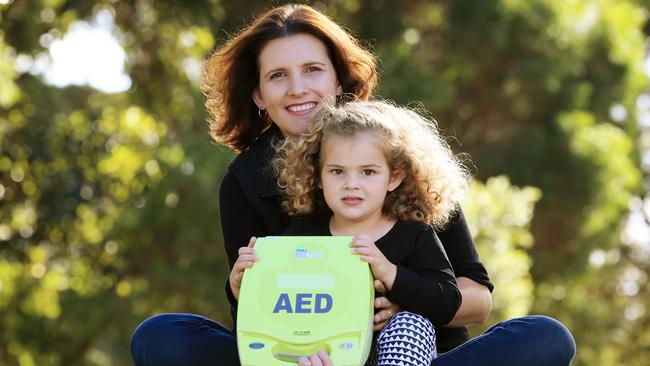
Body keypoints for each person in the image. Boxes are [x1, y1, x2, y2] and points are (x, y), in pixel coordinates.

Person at [130, 4, 576, 366]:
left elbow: (477, 299)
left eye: (312, 69)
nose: (297, 88)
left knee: (544, 338)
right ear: (258, 96)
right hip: (308, 355)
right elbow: (254, 317)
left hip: (416, 351)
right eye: (277, 75)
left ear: (339, 79)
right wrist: (239, 285)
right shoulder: (246, 181)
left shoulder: (401, 150)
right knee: (161, 338)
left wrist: (406, 302)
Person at [266, 99, 469, 364]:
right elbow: (272, 298)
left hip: (397, 353)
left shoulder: (414, 234)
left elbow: (447, 301)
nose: (352, 184)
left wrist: (391, 274)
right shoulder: (302, 236)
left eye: (368, 172)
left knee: (411, 323)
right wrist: (242, 286)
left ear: (393, 177)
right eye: (337, 171)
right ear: (318, 176)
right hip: (326, 352)